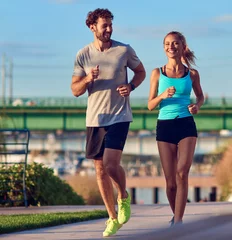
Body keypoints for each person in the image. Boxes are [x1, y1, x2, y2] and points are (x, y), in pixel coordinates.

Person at [70, 8, 146, 237]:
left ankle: (123, 196)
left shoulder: (124, 50)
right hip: (95, 118)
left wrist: (131, 86)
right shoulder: (83, 54)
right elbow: (75, 90)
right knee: (100, 169)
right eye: (105, 25)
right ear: (92, 27)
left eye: (111, 24)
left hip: (119, 115)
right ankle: (112, 218)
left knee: (111, 164)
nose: (109, 29)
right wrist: (87, 79)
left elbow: (140, 72)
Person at [147, 31, 204, 226]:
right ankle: (176, 217)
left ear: (182, 46)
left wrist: (197, 106)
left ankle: (178, 222)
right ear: (164, 48)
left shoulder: (192, 74)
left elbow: (200, 97)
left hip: (186, 124)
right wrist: (162, 95)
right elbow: (150, 105)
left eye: (175, 43)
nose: (171, 47)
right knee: (171, 183)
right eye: (167, 44)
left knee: (182, 173)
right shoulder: (157, 73)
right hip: (165, 126)